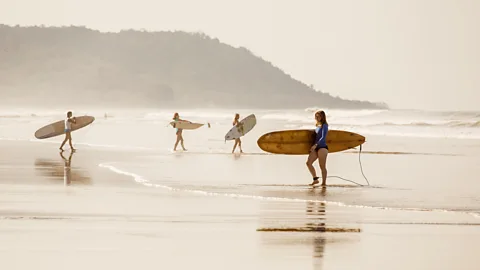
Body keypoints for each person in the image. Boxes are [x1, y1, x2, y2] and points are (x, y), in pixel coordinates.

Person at [306, 111, 329, 186]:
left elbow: (323, 137)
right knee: (308, 163)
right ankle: (315, 179)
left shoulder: (324, 125)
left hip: (322, 147)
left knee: (322, 166)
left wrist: (315, 145)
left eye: (318, 116)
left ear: (322, 117)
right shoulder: (317, 126)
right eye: (316, 116)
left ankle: (324, 183)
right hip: (315, 148)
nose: (316, 118)